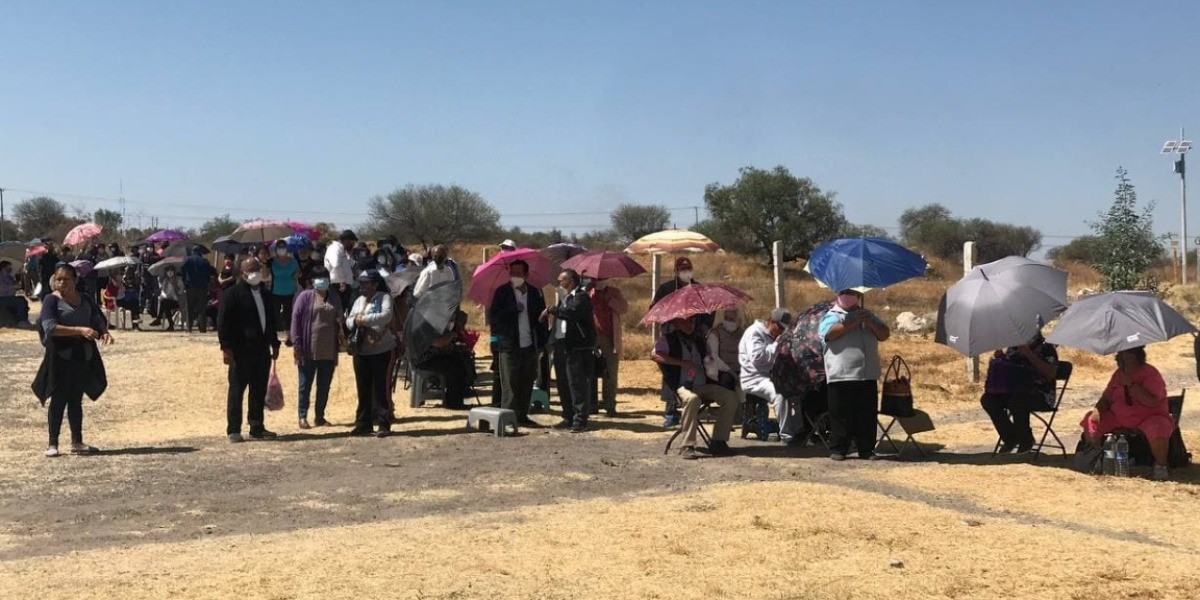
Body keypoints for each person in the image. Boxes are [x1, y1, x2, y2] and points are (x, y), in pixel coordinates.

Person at [33, 263, 114, 457]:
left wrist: (104, 332)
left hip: (82, 355)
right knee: (59, 398)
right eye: (59, 279)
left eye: (66, 279)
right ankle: (53, 444)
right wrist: (79, 330)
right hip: (60, 355)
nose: (62, 283)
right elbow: (50, 327)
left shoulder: (84, 299)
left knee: (76, 399)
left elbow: (96, 318)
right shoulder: (51, 301)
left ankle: (77, 441)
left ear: (75, 281)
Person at [1081, 346, 1174, 481]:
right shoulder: (1118, 374)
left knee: (1158, 427)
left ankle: (1161, 467)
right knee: (1090, 420)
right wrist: (1097, 411)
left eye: (1129, 354)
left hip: (1148, 417)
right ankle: (1096, 459)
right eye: (1122, 354)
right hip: (1119, 417)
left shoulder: (1150, 373)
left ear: (1138, 356)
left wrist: (1131, 385)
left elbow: (1152, 401)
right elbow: (1106, 398)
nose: (1125, 358)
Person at [652, 315, 739, 459]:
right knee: (692, 399)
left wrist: (710, 361)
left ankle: (719, 441)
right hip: (681, 387)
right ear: (677, 323)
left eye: (691, 321)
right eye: (685, 322)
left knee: (730, 397)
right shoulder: (668, 339)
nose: (689, 325)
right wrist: (681, 363)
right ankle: (687, 445)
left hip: (702, 384)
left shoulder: (699, 340)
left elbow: (710, 358)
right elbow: (655, 355)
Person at [819, 289, 890, 461]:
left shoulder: (868, 315)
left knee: (866, 414)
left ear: (859, 296)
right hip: (842, 374)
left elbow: (884, 334)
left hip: (867, 373)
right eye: (845, 293)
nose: (849, 296)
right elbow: (830, 333)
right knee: (841, 413)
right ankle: (839, 449)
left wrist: (869, 321)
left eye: (853, 293)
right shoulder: (832, 315)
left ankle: (866, 449)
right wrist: (852, 322)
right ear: (838, 295)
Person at [217, 257, 281, 442]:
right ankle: (234, 430)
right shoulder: (232, 294)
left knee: (258, 390)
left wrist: (274, 343)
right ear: (242, 273)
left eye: (258, 269)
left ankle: (256, 426)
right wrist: (226, 349)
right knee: (237, 390)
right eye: (252, 269)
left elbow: (271, 322)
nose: (256, 273)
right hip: (240, 351)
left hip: (262, 350)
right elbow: (223, 324)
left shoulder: (266, 294)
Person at [488, 260, 549, 426]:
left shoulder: (536, 293)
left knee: (527, 381)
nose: (515, 276)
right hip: (509, 345)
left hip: (530, 345)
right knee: (510, 384)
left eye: (519, 272)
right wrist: (512, 310)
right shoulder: (502, 292)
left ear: (526, 274)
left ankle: (522, 416)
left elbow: (542, 320)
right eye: (512, 272)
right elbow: (494, 318)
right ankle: (508, 419)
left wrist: (543, 342)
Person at [981, 332, 1059, 453]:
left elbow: (1050, 373)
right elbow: (1011, 369)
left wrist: (1028, 354)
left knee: (1017, 400)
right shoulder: (1013, 347)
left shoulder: (1046, 347)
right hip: (1012, 390)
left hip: (1040, 394)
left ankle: (1026, 440)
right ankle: (1010, 438)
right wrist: (1001, 358)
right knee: (988, 400)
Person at [542, 268, 596, 432]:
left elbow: (572, 313)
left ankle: (580, 420)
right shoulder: (564, 299)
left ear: (571, 282)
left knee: (576, 383)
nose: (559, 283)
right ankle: (568, 416)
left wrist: (552, 310)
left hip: (576, 347)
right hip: (561, 344)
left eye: (561, 281)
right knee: (563, 382)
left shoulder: (582, 297)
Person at [345, 270, 396, 437]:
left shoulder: (384, 298)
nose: (362, 287)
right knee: (363, 388)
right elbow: (349, 319)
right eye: (361, 283)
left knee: (381, 387)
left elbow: (386, 316)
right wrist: (355, 320)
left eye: (366, 283)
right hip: (362, 350)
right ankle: (363, 423)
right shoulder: (359, 300)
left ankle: (383, 423)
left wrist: (363, 319)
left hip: (382, 350)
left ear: (375, 284)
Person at [291, 266, 342, 429]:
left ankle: (320, 416)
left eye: (325, 277)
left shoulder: (334, 296)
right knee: (305, 385)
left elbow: (339, 315)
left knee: (324, 385)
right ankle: (302, 416)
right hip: (308, 349)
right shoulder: (305, 297)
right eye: (319, 277)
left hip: (328, 350)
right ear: (312, 280)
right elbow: (296, 321)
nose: (323, 280)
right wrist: (297, 344)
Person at [739, 308, 798, 442]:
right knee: (780, 394)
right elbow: (758, 358)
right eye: (780, 328)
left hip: (771, 376)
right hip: (754, 379)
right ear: (772, 322)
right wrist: (777, 343)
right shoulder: (754, 332)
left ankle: (800, 430)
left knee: (798, 389)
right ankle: (787, 437)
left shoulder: (773, 335)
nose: (782, 332)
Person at [414, 310, 473, 410]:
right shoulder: (425, 325)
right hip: (424, 360)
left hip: (434, 355)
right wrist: (452, 335)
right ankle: (454, 402)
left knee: (459, 360)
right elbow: (439, 342)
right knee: (453, 367)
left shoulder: (436, 324)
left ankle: (459, 393)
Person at [589, 277, 628, 417]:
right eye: (597, 278)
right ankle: (591, 404)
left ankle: (609, 404)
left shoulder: (614, 292)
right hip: (591, 338)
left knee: (610, 373)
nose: (599, 280)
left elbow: (624, 308)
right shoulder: (587, 292)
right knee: (590, 372)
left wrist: (610, 300)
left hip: (609, 338)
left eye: (603, 278)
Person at [268, 240, 299, 345]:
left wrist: (297, 275)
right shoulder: (272, 261)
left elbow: (298, 272)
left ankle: (288, 337)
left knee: (287, 315)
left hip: (289, 291)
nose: (282, 249)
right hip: (275, 291)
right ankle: (273, 336)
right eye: (279, 247)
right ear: (276, 250)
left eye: (283, 247)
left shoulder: (293, 261)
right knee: (274, 314)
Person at [181, 246, 214, 333]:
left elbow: (182, 270)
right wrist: (206, 282)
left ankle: (189, 328)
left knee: (189, 308)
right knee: (202, 308)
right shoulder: (204, 261)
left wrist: (185, 281)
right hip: (202, 288)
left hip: (190, 287)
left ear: (193, 251)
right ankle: (202, 328)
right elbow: (209, 273)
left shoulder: (188, 260)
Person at [325, 229, 357, 310]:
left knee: (343, 308)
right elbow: (335, 264)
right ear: (346, 240)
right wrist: (342, 281)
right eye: (352, 242)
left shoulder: (341, 249)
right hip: (338, 285)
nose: (353, 245)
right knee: (339, 309)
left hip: (342, 285)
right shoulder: (335, 248)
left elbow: (344, 264)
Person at [0, 261, 32, 328]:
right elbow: (3, 288)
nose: (10, 268)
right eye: (8, 267)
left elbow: (17, 285)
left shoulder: (9, 277)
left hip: (10, 297)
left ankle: (22, 319)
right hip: (2, 298)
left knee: (22, 299)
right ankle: (22, 321)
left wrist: (19, 275)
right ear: (3, 268)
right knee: (19, 301)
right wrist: (13, 286)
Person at [155, 265, 185, 330]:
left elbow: (181, 291)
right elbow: (163, 291)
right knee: (165, 304)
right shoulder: (165, 280)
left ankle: (159, 319)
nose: (170, 272)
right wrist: (162, 296)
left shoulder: (178, 279)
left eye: (171, 270)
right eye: (168, 271)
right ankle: (170, 324)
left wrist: (174, 285)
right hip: (168, 300)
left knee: (164, 304)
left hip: (178, 301)